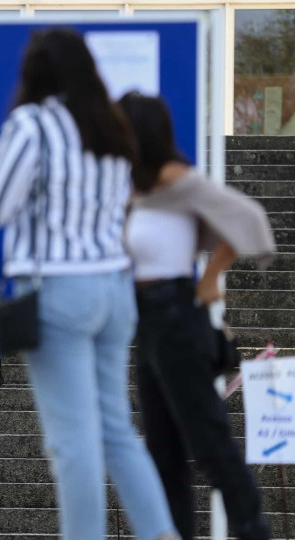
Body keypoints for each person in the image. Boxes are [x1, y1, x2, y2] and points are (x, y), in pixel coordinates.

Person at [0, 29, 179, 540]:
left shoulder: (32, 124)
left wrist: (0, 165)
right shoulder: (112, 128)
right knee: (117, 431)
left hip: (58, 289)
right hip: (113, 288)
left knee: (72, 443)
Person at [119, 92, 274, 540]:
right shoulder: (137, 188)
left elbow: (248, 218)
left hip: (177, 315)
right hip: (145, 321)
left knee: (207, 439)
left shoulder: (182, 182)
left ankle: (251, 528)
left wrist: (210, 277)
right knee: (162, 449)